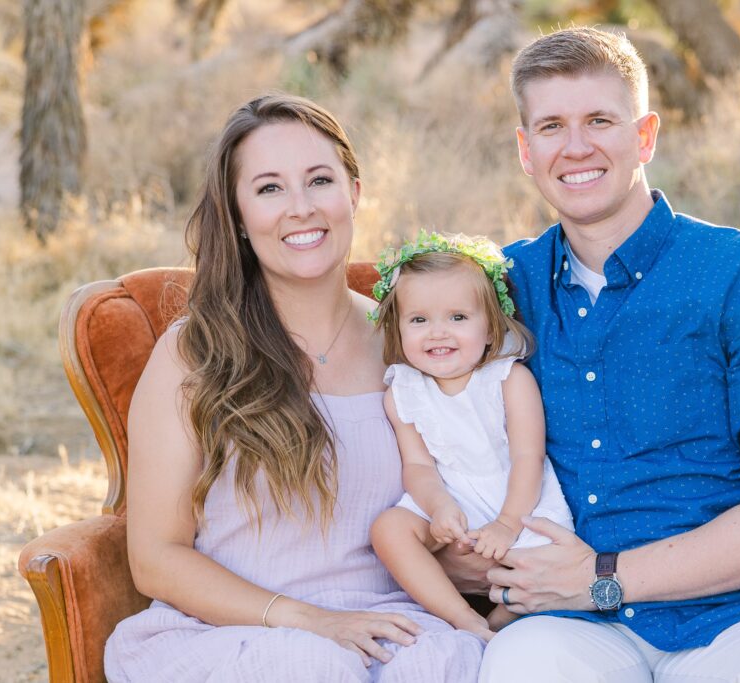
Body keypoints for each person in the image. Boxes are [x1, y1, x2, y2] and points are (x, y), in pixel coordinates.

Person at [446, 27, 740, 682]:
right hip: (563, 628)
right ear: (526, 150)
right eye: (551, 126)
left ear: (645, 135)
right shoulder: (497, 288)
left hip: (737, 621)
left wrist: (604, 578)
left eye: (600, 120)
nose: (576, 146)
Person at [102, 94, 483, 682]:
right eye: (270, 189)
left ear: (354, 193)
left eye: (320, 180)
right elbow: (156, 558)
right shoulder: (194, 352)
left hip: (393, 628)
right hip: (235, 633)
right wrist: (310, 622)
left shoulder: (412, 346)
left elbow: (459, 491)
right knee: (310, 667)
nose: (301, 208)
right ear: (237, 215)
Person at [368, 232, 575, 642]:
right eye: (419, 320)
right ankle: (462, 618)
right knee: (389, 529)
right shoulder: (403, 391)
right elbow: (418, 465)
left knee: (547, 565)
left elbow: (528, 458)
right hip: (454, 495)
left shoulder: (507, 379)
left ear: (490, 327)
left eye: (458, 317)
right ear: (399, 327)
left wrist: (506, 524)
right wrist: (438, 505)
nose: (438, 333)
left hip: (517, 496)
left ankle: (497, 624)